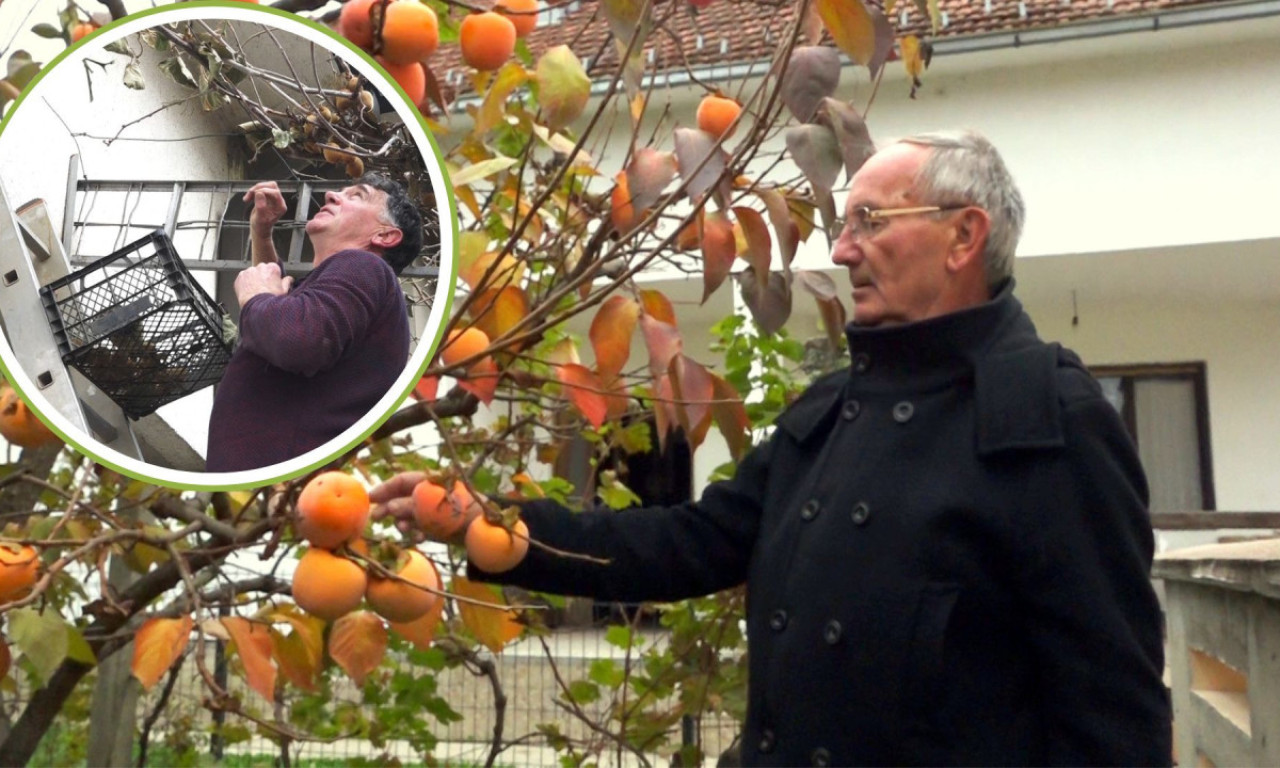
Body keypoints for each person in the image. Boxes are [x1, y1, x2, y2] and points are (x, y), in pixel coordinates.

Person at [371, 130, 1172, 765]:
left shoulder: (1051, 417)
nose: (844, 250)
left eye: (869, 222)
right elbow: (684, 544)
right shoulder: (830, 410)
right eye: (842, 224)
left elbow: (1112, 713)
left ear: (963, 236)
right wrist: (495, 528)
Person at [206, 174, 421, 472]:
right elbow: (276, 324)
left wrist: (255, 298)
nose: (332, 194)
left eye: (357, 195)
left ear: (384, 236)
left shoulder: (364, 266)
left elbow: (295, 339)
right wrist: (262, 232)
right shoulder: (352, 286)